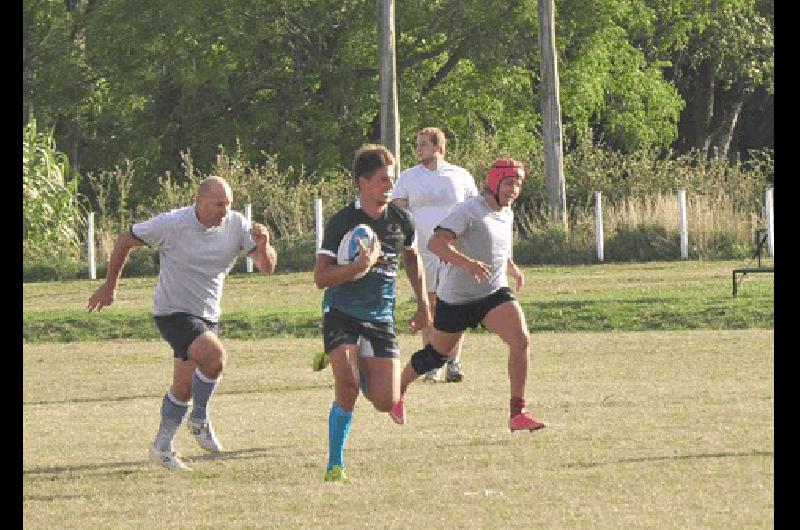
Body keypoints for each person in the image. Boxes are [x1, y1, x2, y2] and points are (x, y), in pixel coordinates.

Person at [87, 176, 277, 471]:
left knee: (183, 388)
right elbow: (125, 240)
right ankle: (199, 420)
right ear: (198, 201)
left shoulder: (237, 225)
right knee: (215, 359)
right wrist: (110, 286)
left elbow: (267, 268)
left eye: (228, 204)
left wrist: (263, 245)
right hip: (173, 312)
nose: (224, 211)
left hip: (207, 315)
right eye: (217, 204)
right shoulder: (173, 223)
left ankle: (161, 448)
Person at [388, 157, 546, 433]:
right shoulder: (469, 210)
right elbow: (435, 243)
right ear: (495, 182)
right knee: (435, 356)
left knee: (521, 341)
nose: (514, 190)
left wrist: (512, 269)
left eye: (518, 185)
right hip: (457, 298)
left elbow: (497, 247)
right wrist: (468, 264)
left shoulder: (506, 212)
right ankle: (397, 390)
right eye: (509, 183)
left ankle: (517, 413)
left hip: (493, 292)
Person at [314, 144, 431, 482]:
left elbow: (412, 259)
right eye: (382, 180)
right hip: (341, 312)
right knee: (347, 386)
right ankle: (335, 464)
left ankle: (356, 366)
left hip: (380, 317)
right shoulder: (343, 222)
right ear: (363, 182)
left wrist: (423, 304)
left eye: (391, 180)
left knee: (385, 400)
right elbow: (321, 278)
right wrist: (357, 267)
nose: (389, 187)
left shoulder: (400, 220)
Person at [391, 127, 478, 383]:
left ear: (438, 147)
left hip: (454, 250)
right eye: (417, 144)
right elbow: (396, 210)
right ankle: (432, 363)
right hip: (422, 251)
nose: (418, 149)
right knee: (429, 304)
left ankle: (454, 362)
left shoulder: (460, 176)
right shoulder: (408, 177)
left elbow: (473, 210)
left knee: (456, 305)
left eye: (423, 144)